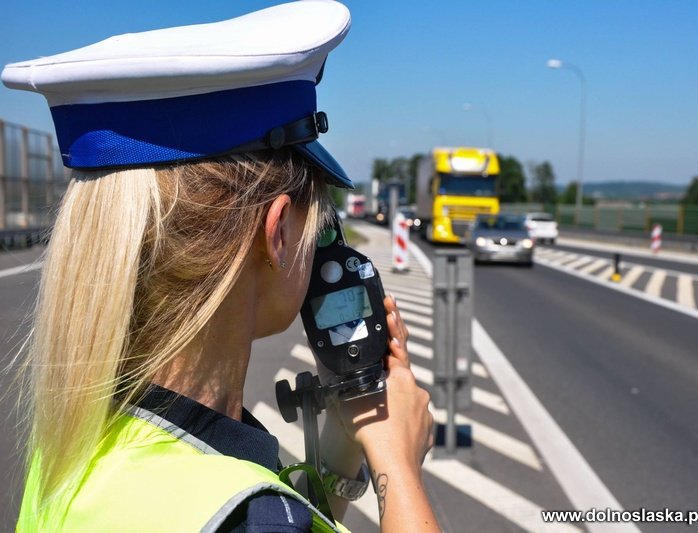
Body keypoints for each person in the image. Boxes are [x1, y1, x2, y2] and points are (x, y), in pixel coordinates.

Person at [2, 2, 440, 532]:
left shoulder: (78, 448)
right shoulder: (249, 519)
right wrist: (397, 463)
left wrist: (344, 442)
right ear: (277, 233)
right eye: (320, 224)